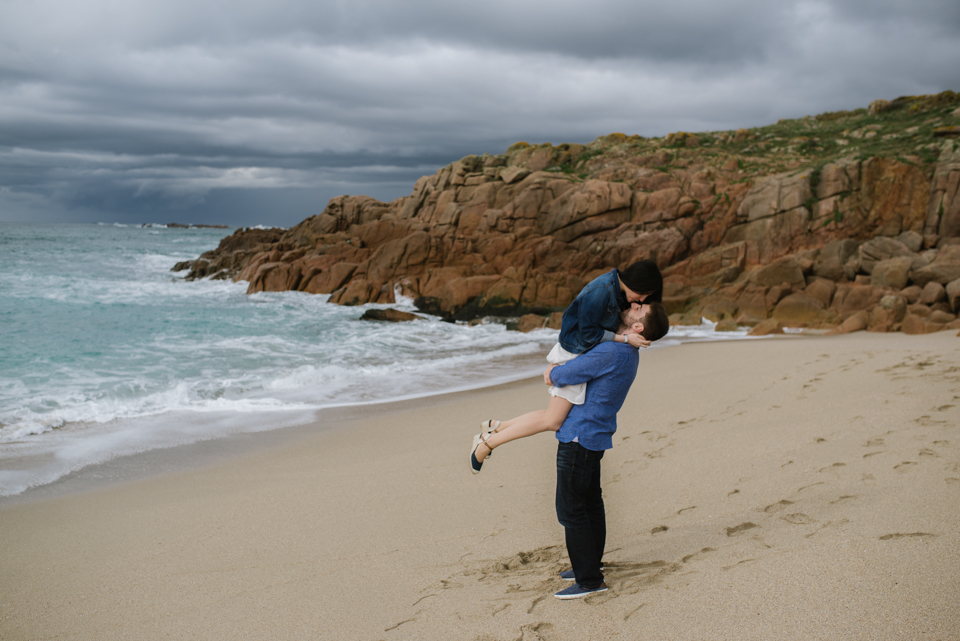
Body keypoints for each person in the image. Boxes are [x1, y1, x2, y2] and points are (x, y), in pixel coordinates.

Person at [470, 260, 665, 474]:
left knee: (551, 416)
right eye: (644, 293)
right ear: (637, 282)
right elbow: (589, 333)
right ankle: (485, 444)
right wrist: (625, 339)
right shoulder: (602, 290)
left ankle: (494, 427)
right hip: (573, 352)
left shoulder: (614, 291)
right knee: (552, 420)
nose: (643, 299)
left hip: (576, 351)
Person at [547, 307, 662, 598]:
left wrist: (552, 372)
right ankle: (590, 565)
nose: (630, 308)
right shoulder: (625, 353)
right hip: (594, 435)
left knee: (571, 509)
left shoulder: (612, 352)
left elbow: (566, 374)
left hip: (580, 436)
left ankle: (589, 580)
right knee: (589, 503)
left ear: (638, 329)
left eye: (639, 310)